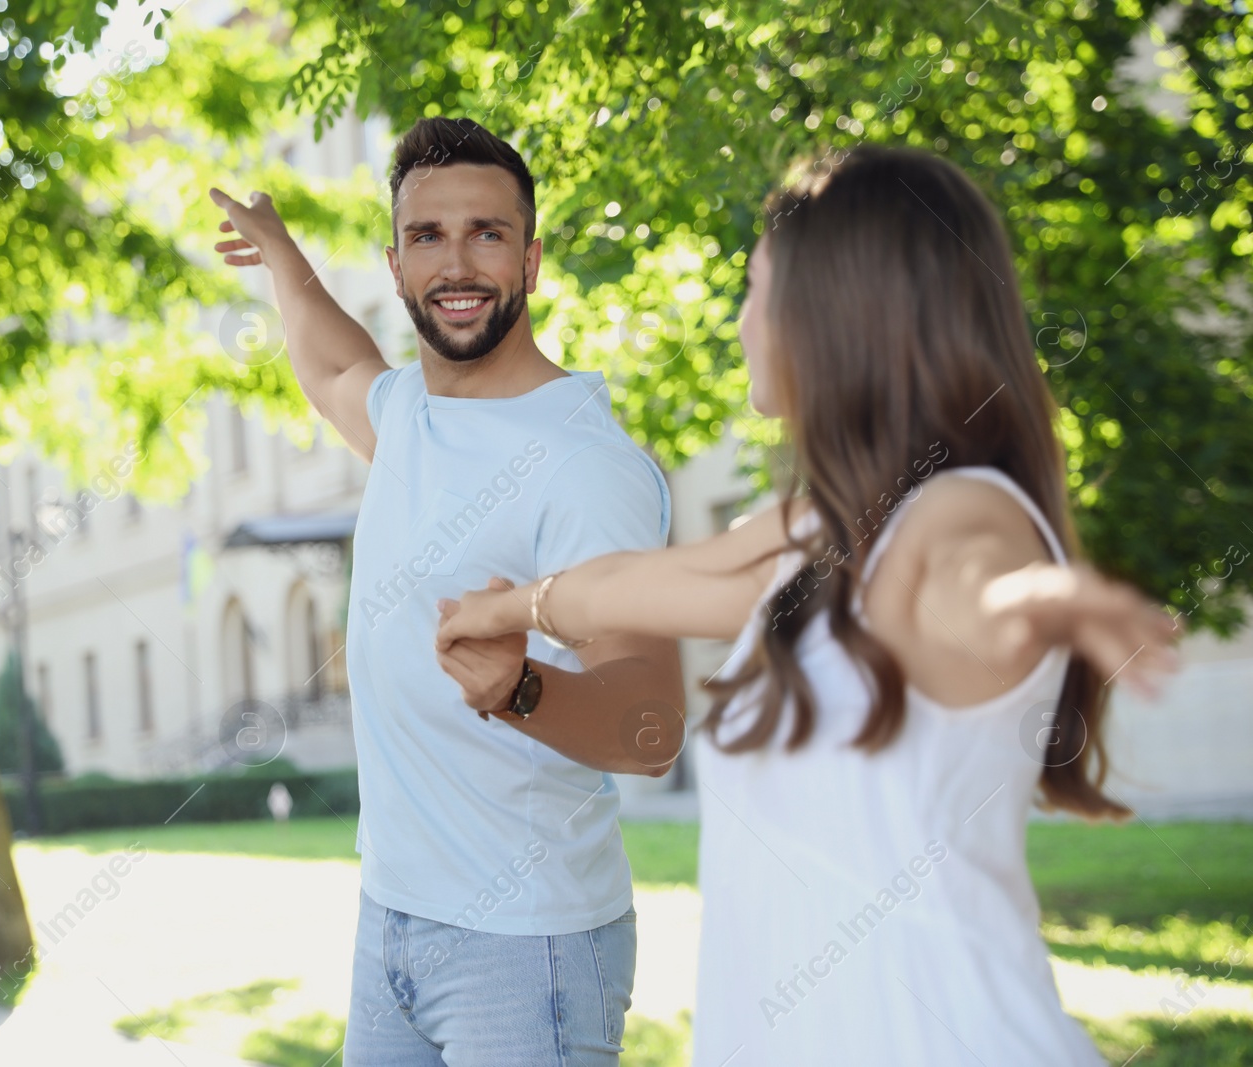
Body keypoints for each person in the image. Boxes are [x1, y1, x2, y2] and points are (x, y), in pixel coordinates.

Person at [434, 144, 1179, 1065]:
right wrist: (512, 610)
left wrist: (1048, 599)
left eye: (758, 290)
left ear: (835, 315)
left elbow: (970, 585)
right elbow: (638, 585)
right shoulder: (820, 533)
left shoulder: (961, 512)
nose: (743, 322)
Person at [209, 115, 687, 1066]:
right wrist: (280, 253)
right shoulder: (405, 416)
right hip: (392, 923)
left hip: (531, 948)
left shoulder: (585, 467)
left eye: (487, 233)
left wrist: (519, 688)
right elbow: (334, 360)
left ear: (533, 258)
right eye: (427, 236)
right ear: (394, 266)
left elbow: (651, 728)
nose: (455, 263)